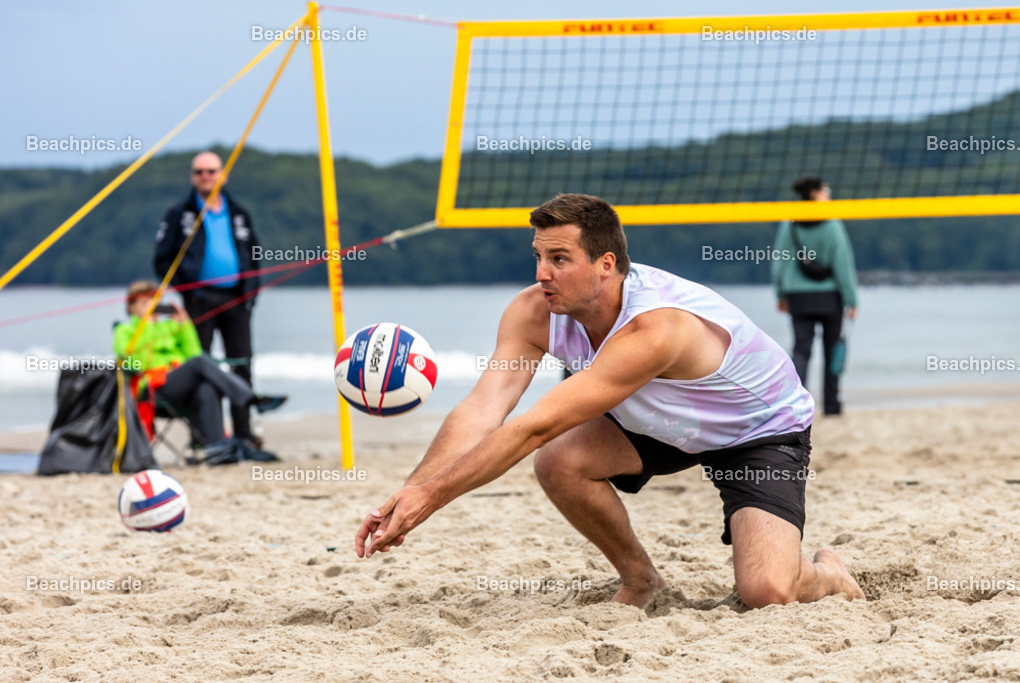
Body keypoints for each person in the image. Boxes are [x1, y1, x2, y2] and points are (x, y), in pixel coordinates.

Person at [354, 194, 865, 610]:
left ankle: (829, 573)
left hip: (756, 430)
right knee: (559, 462)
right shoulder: (533, 312)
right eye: (538, 257)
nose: (542, 273)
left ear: (606, 265)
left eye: (559, 259)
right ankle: (642, 580)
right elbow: (483, 409)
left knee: (768, 592)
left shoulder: (655, 327)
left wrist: (432, 499)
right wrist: (411, 492)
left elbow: (534, 426)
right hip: (660, 420)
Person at [154, 151, 265, 445]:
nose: (206, 176)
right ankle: (202, 437)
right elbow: (162, 260)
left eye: (211, 171)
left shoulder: (239, 213)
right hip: (199, 299)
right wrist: (188, 291)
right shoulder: (179, 214)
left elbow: (255, 254)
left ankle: (243, 434)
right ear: (192, 177)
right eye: (199, 172)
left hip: (237, 299)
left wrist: (251, 293)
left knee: (242, 363)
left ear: (222, 175)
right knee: (198, 363)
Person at [114, 280, 286, 464]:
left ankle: (216, 448)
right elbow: (132, 361)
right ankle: (250, 398)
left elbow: (194, 352)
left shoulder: (170, 326)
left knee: (206, 387)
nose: (151, 306)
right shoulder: (124, 330)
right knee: (199, 364)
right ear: (131, 307)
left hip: (182, 384)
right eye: (145, 303)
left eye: (154, 301)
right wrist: (146, 326)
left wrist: (185, 325)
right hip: (153, 388)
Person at [772, 176, 858, 416]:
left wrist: (780, 293)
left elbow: (779, 261)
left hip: (798, 296)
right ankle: (831, 405)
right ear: (814, 194)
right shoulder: (832, 223)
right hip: (830, 297)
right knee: (832, 351)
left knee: (801, 350)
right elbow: (843, 263)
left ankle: (798, 404)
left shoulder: (789, 223)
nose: (828, 194)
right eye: (825, 191)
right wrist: (851, 299)